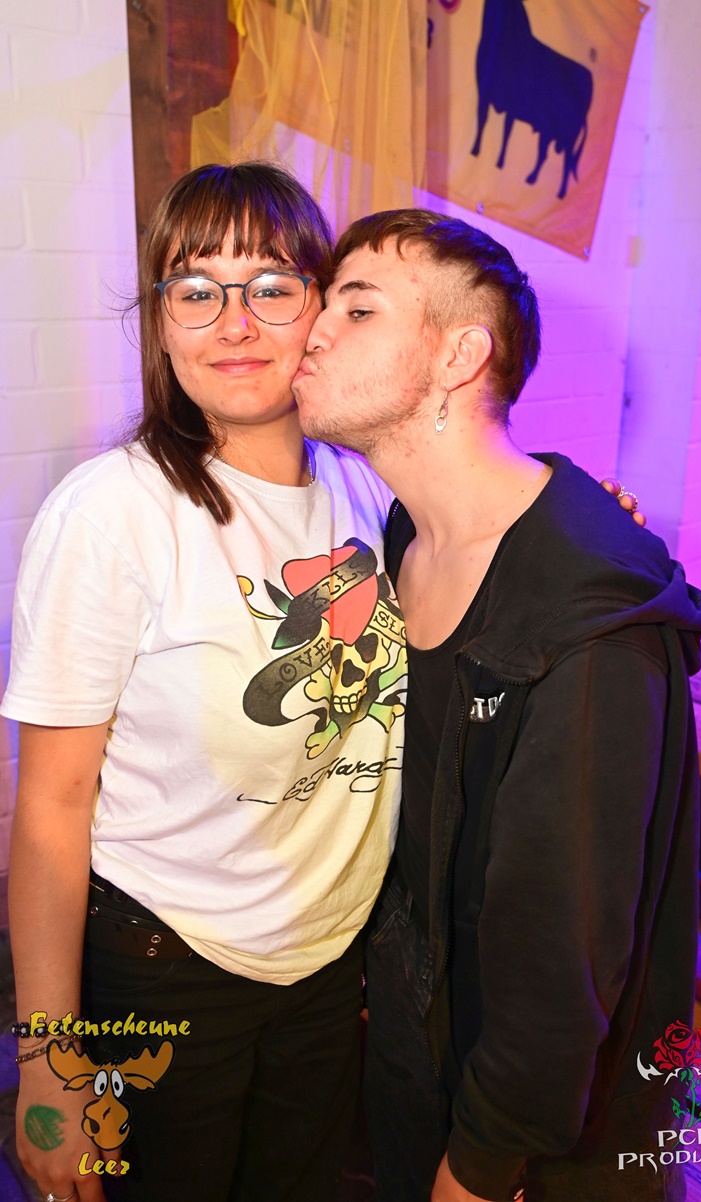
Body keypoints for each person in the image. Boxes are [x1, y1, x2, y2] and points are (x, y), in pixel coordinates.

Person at [0, 163, 407, 1202]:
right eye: (196, 288)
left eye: (271, 284)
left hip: (329, 965)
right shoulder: (111, 514)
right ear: (161, 320)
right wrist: (46, 1060)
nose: (234, 322)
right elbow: (51, 807)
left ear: (320, 309)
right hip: (164, 968)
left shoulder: (365, 489)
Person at [293, 209, 701, 1202]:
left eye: (358, 308)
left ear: (459, 355)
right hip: (422, 1043)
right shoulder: (407, 532)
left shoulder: (584, 616)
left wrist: (483, 1160)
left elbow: (562, 950)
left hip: (537, 1141)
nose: (314, 328)